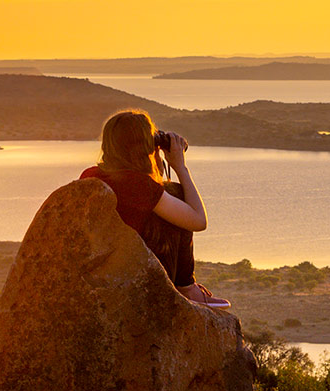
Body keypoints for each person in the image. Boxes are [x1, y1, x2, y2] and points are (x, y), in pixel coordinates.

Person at [80, 110, 230, 309]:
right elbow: (198, 220)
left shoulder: (91, 174)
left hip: (100, 269)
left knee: (167, 198)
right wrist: (180, 167)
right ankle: (186, 287)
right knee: (176, 193)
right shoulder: (138, 185)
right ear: (143, 146)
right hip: (133, 276)